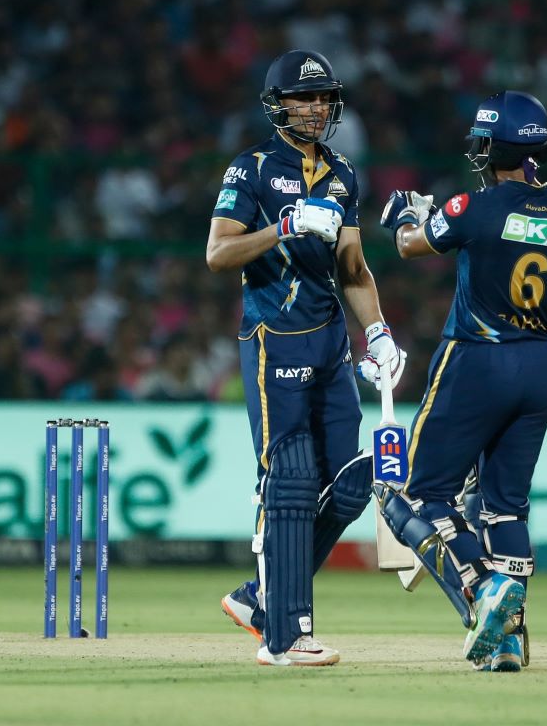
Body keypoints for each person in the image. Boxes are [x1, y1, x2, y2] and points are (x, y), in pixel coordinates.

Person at [377, 90, 547, 671]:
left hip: (475, 359)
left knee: (414, 494)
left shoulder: (474, 205)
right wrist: (531, 356)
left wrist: (404, 213)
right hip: (539, 368)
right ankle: (510, 642)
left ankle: (482, 589)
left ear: (492, 148)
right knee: (506, 510)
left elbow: (409, 246)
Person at [206, 49, 406, 667]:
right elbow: (218, 253)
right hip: (275, 339)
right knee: (291, 481)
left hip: (331, 345)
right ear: (278, 104)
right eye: (304, 98)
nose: (316, 109)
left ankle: (260, 596)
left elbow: (353, 269)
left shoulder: (343, 174)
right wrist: (284, 227)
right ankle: (286, 636)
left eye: (323, 98)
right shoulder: (252, 169)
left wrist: (378, 333)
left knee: (349, 486)